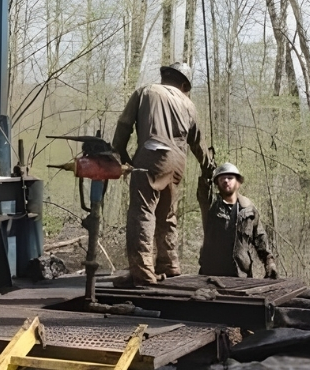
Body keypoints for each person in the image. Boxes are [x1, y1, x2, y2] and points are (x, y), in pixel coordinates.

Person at [111, 62, 215, 288]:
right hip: (177, 162)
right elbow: (198, 143)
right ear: (185, 84)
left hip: (152, 155)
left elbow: (124, 124)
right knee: (167, 213)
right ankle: (169, 264)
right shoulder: (189, 104)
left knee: (142, 213)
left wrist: (118, 152)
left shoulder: (146, 91)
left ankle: (142, 273)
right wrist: (209, 168)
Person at [198, 162, 278, 279]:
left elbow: (260, 239)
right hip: (211, 274)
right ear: (217, 183)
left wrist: (269, 262)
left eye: (230, 178)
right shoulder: (210, 206)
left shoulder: (249, 210)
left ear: (238, 183)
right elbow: (203, 190)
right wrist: (206, 170)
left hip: (240, 275)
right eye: (222, 178)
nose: (226, 181)